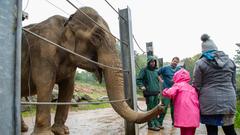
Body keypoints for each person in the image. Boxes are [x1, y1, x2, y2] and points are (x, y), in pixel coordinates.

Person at [193, 34, 237, 135]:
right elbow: (233, 83)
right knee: (229, 129)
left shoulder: (200, 63)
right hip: (229, 99)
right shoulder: (230, 62)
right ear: (216, 48)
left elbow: (197, 85)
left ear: (203, 50)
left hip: (209, 101)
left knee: (212, 131)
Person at [162, 68, 200, 135]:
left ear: (177, 76)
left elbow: (169, 93)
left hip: (184, 114)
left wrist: (164, 90)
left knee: (184, 132)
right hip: (194, 114)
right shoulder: (191, 88)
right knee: (190, 132)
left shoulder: (178, 85)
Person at [136, 56, 161, 131]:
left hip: (156, 92)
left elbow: (157, 81)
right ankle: (151, 125)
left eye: (154, 62)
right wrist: (141, 86)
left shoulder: (156, 71)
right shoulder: (144, 70)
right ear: (148, 62)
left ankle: (156, 123)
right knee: (150, 109)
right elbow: (138, 80)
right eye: (151, 62)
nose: (153, 63)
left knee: (156, 109)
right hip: (149, 93)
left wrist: (159, 91)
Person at [158, 56, 180, 128]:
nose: (175, 63)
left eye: (176, 62)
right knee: (164, 107)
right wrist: (161, 80)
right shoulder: (165, 68)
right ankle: (159, 122)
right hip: (166, 91)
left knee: (174, 108)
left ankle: (174, 122)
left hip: (175, 92)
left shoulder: (179, 69)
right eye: (174, 61)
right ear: (172, 61)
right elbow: (156, 73)